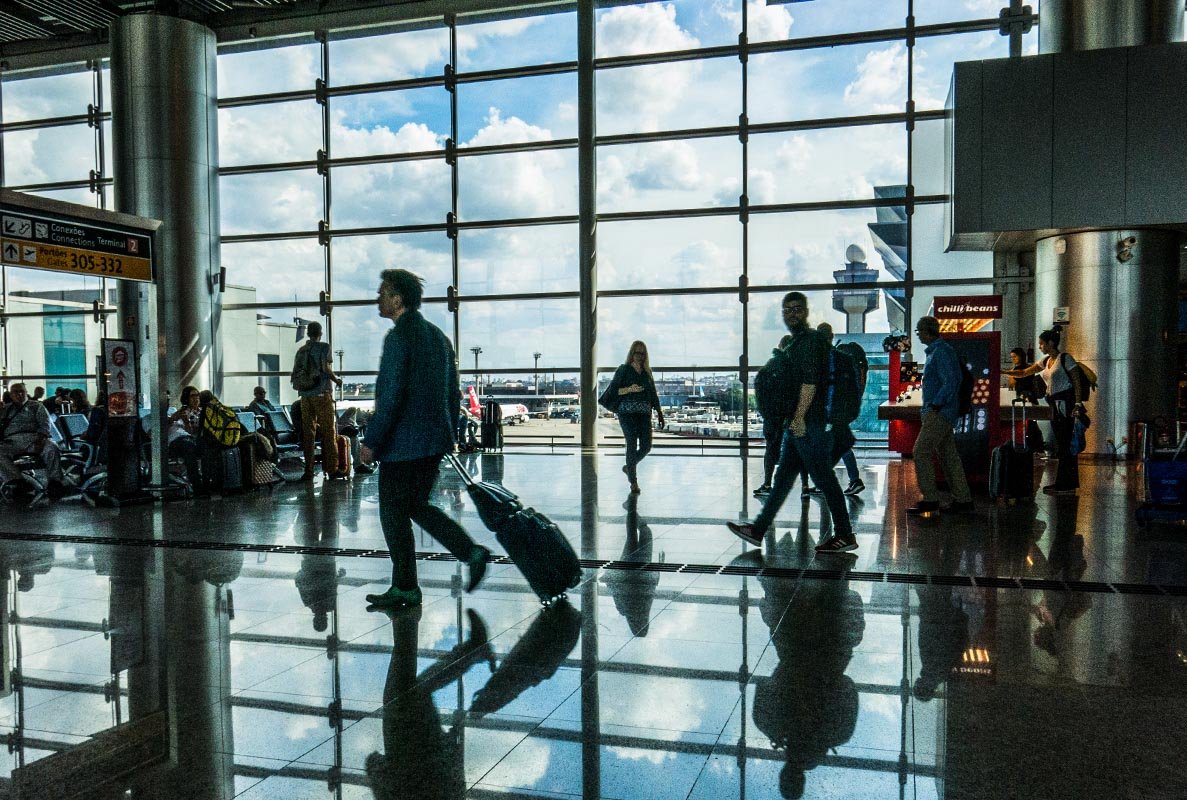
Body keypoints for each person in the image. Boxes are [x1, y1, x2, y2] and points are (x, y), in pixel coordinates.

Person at [359, 268, 491, 608]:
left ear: (398, 298)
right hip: (433, 441)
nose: (379, 297)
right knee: (416, 505)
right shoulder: (438, 337)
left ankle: (406, 586)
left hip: (403, 445)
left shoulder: (399, 337)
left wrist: (372, 441)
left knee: (392, 512)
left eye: (383, 292)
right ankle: (470, 552)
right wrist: (447, 435)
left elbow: (390, 396)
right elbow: (453, 393)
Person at [727, 292, 856, 554]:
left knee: (824, 479)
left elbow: (809, 383)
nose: (792, 314)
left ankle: (845, 534)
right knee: (784, 478)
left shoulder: (807, 343)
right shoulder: (799, 342)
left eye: (797, 309)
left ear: (806, 312)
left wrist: (798, 418)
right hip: (800, 425)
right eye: (787, 310)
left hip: (808, 425)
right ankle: (758, 529)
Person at [1004, 328, 1084, 495]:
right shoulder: (1047, 360)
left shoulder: (1065, 359)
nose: (1040, 346)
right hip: (1054, 405)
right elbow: (1026, 372)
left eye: (1042, 343)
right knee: (1061, 444)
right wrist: (1005, 372)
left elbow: (1076, 381)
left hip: (1066, 406)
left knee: (1066, 444)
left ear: (1051, 343)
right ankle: (1064, 483)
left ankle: (1066, 484)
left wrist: (1077, 404)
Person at [907, 316, 974, 516]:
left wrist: (936, 404)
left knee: (920, 451)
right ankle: (963, 499)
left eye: (918, 331)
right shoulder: (938, 352)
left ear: (927, 331)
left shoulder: (941, 352)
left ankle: (930, 499)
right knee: (948, 455)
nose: (918, 335)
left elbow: (951, 381)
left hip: (940, 411)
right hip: (942, 411)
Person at [603, 340, 665, 494]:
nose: (639, 356)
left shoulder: (647, 373)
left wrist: (659, 412)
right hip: (627, 413)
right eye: (637, 353)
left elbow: (653, 394)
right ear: (632, 353)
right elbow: (614, 391)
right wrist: (629, 389)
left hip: (644, 414)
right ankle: (634, 482)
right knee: (631, 445)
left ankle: (629, 467)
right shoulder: (623, 370)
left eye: (642, 353)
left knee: (646, 446)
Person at [817, 322, 865, 496]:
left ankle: (843, 480)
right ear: (831, 336)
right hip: (838, 410)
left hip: (829, 411)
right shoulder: (841, 358)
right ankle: (850, 480)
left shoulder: (822, 359)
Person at [292, 321, 344, 481]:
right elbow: (326, 368)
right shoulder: (324, 347)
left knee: (308, 435)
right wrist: (337, 380)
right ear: (320, 333)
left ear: (308, 333)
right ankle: (332, 469)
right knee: (329, 432)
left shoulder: (301, 350)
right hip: (321, 394)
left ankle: (308, 471)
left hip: (305, 397)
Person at [0, 383, 68, 499]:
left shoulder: (36, 406)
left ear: (26, 392)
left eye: (22, 391)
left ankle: (55, 482)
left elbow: (45, 424)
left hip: (34, 437)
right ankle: (16, 481)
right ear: (11, 395)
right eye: (16, 392)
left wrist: (41, 439)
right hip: (11, 440)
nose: (19, 394)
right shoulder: (5, 409)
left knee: (51, 448)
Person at [754, 334, 794, 498]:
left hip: (772, 417)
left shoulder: (769, 366)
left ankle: (767, 483)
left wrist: (766, 413)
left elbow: (759, 390)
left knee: (771, 450)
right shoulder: (794, 367)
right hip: (790, 416)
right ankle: (806, 486)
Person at [166, 385, 204, 490]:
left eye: (197, 395)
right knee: (189, 447)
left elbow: (194, 432)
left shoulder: (202, 412)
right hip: (181, 440)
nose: (196, 398)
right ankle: (196, 484)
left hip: (194, 439)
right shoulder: (180, 413)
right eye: (192, 396)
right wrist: (181, 419)